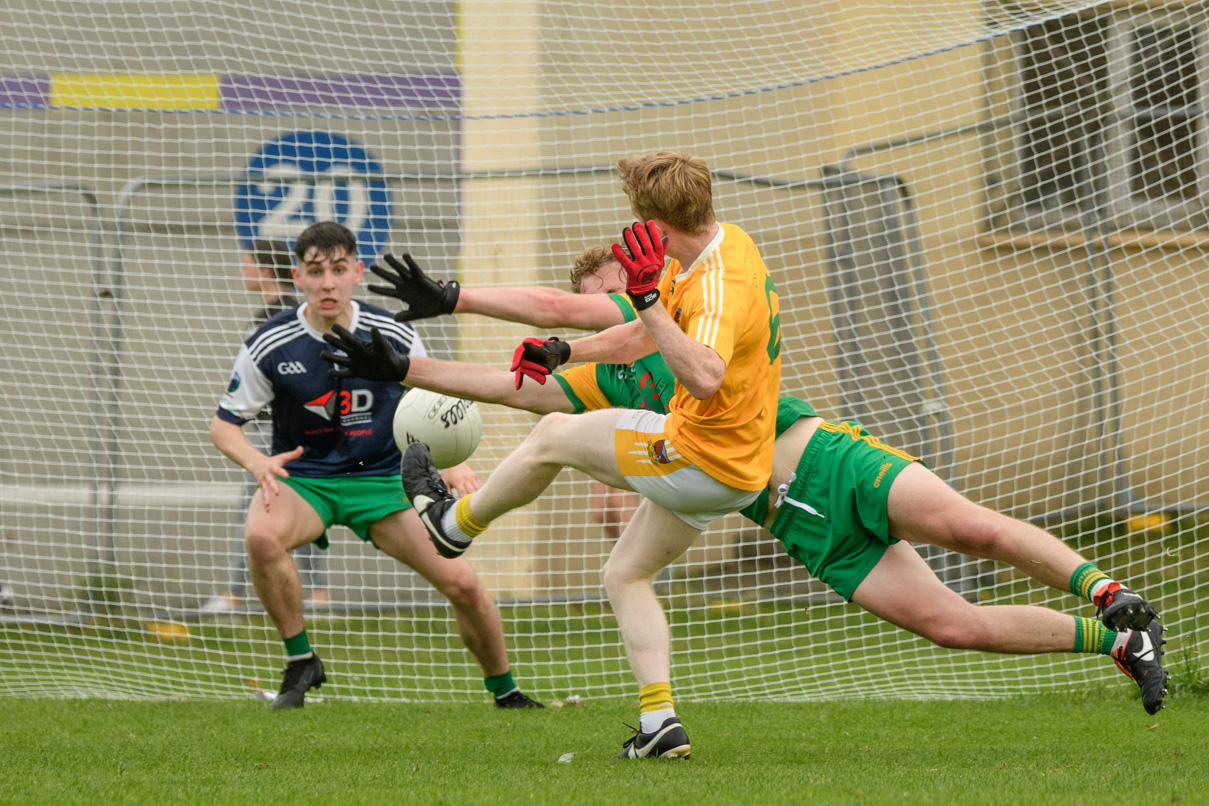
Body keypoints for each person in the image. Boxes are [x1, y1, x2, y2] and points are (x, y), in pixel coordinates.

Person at [326, 238, 1170, 730]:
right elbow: (510, 382)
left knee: (973, 531)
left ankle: (1109, 593)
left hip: (828, 460)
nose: (603, 312)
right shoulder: (605, 379)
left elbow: (558, 313)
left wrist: (458, 299)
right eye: (599, 302)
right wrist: (408, 365)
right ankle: (1119, 647)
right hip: (787, 518)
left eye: (613, 300)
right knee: (950, 626)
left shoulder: (688, 321)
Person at [350, 150, 782, 758]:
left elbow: (705, 374)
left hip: (704, 454)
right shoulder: (723, 246)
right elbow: (624, 338)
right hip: (738, 467)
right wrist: (565, 352)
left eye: (636, 218)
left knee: (553, 434)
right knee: (625, 572)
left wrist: (643, 302)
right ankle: (660, 722)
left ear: (654, 222)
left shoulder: (711, 287)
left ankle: (454, 525)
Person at [209, 221, 541, 710]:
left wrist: (449, 467)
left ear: (357, 272)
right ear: (297, 277)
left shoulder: (391, 330)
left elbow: (435, 397)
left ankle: (505, 691)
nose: (328, 282)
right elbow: (223, 425)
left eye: (339, 270)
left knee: (464, 585)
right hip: (307, 482)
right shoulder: (269, 342)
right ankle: (302, 660)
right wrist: (257, 461)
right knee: (260, 535)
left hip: (384, 482)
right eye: (315, 271)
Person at [204, 240, 328, 613]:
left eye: (247, 264)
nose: (242, 272)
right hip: (267, 427)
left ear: (263, 269)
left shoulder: (291, 314)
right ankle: (313, 595)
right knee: (277, 506)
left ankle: (236, 595)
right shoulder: (264, 315)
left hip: (285, 430)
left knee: (265, 506)